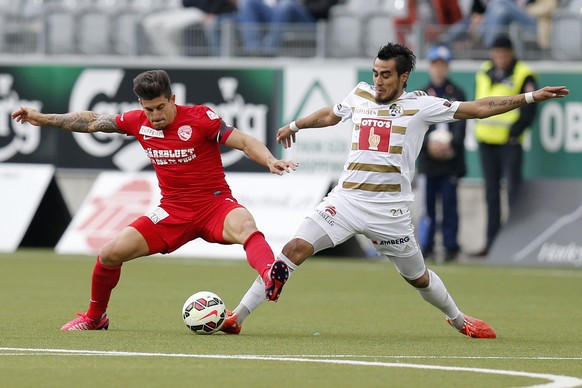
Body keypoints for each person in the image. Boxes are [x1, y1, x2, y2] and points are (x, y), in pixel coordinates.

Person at [219, 42, 568, 337]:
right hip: (346, 200)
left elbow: (477, 109)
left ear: (403, 77)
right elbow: (332, 114)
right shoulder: (359, 94)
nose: (378, 80)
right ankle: (237, 318)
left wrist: (531, 96)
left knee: (418, 278)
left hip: (390, 211)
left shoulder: (422, 105)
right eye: (375, 72)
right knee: (293, 249)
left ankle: (461, 321)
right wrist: (296, 124)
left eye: (386, 75)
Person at [11, 69, 298, 330]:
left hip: (214, 205)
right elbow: (93, 121)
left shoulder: (200, 118)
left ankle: (269, 276)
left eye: (161, 107)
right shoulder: (137, 122)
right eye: (149, 109)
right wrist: (42, 119)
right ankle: (95, 318)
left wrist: (270, 160)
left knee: (246, 225)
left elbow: (245, 141)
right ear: (141, 106)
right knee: (109, 253)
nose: (155, 115)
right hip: (172, 213)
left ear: (173, 99)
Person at [472, 35, 538, 257]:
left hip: (509, 143)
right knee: (491, 195)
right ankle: (492, 243)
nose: (499, 57)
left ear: (511, 53)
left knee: (513, 193)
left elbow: (530, 108)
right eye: (496, 53)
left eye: (503, 53)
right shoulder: (484, 70)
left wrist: (515, 131)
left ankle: (517, 244)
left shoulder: (523, 73)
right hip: (486, 141)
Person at [417, 45, 467, 262]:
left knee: (450, 206)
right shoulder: (420, 94)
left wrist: (451, 144)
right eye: (435, 65)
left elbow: (462, 125)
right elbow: (416, 126)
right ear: (430, 67)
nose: (438, 70)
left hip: (451, 161)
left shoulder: (457, 93)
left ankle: (450, 247)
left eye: (442, 65)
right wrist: (429, 143)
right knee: (426, 208)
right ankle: (426, 246)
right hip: (428, 162)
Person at [237, 0, 338, 54]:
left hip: (311, 22)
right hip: (281, 13)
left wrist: (300, 5)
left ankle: (269, 51)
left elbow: (325, 7)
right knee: (248, 2)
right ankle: (253, 50)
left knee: (287, 5)